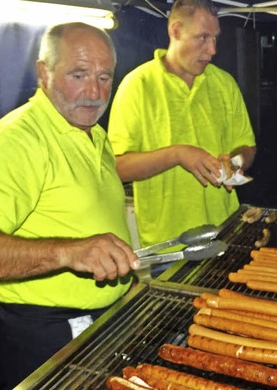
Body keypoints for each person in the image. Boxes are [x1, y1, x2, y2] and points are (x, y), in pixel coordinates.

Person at [0, 22, 139, 390]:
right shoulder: (16, 142)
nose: (95, 92)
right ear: (43, 73)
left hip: (101, 319)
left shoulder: (94, 133)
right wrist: (70, 252)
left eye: (104, 77)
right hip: (50, 335)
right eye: (78, 75)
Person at [107, 0, 257, 248]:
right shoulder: (137, 86)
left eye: (215, 39)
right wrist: (177, 154)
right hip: (168, 243)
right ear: (175, 31)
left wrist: (234, 162)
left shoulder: (224, 83)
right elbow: (117, 167)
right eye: (203, 38)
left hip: (224, 231)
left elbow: (247, 146)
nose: (212, 50)